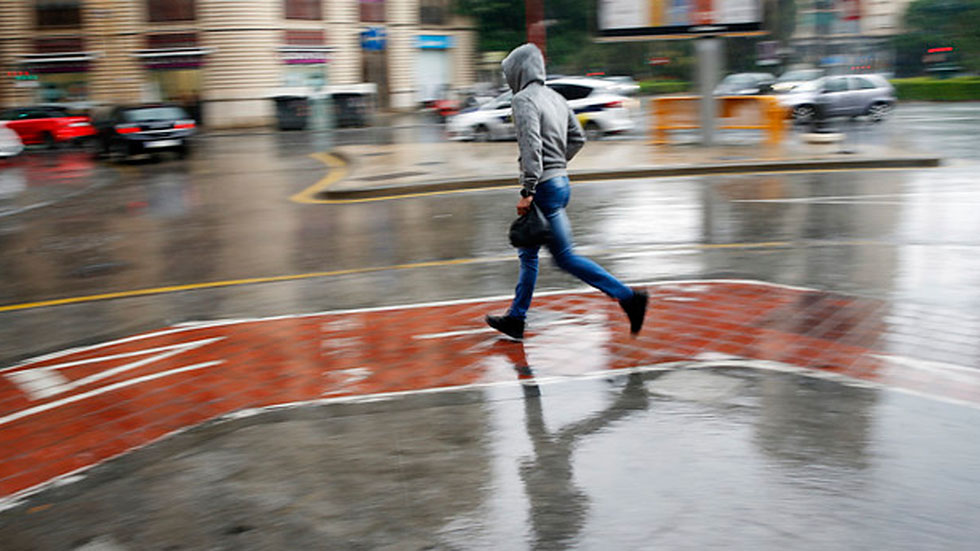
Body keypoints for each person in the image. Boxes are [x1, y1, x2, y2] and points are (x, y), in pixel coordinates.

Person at [486, 43, 648, 341]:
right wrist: (558, 164)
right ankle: (516, 318)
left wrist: (528, 188)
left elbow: (531, 145)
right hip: (560, 183)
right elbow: (578, 138)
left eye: (509, 73)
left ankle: (629, 297)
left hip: (543, 187)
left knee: (561, 257)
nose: (509, 80)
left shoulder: (523, 100)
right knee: (536, 254)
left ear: (520, 71)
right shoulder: (556, 98)